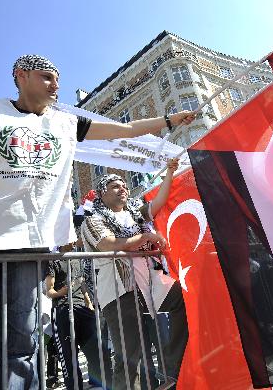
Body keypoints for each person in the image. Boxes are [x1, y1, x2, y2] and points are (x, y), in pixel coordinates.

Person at [0, 54, 195, 389]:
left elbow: (125, 130)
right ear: (21, 76)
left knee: (21, 348)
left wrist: (168, 121)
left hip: (30, 247)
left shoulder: (65, 123)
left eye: (58, 78)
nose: (56, 85)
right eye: (47, 77)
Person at [80, 159, 188, 390]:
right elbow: (108, 244)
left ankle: (175, 370)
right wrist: (144, 238)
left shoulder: (134, 215)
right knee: (130, 355)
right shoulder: (92, 220)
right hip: (119, 291)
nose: (123, 189)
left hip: (150, 282)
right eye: (115, 186)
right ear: (102, 194)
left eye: (124, 185)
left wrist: (169, 172)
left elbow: (158, 202)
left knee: (184, 298)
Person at [46, 252, 112, 390]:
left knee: (98, 352)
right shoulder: (53, 260)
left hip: (83, 309)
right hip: (62, 309)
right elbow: (49, 291)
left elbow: (82, 284)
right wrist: (62, 292)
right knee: (69, 360)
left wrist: (89, 303)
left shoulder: (77, 257)